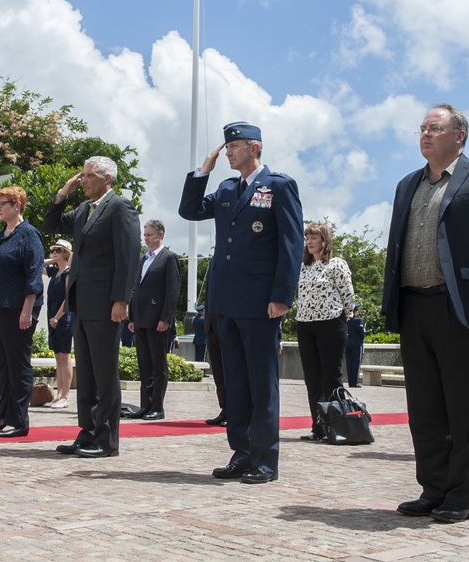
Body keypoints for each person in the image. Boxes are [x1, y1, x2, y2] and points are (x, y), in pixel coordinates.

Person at [383, 104, 469, 524]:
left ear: (459, 135)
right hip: (414, 306)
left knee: (465, 406)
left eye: (434, 128)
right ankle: (432, 488)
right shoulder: (408, 184)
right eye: (422, 128)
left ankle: (460, 495)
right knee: (424, 408)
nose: (425, 134)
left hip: (463, 309)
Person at [179, 121, 303, 484]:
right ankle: (242, 452)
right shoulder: (226, 188)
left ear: (254, 147)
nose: (227, 151)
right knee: (233, 381)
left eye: (233, 146)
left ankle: (266, 459)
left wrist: (282, 296)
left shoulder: (279, 186)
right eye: (226, 146)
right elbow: (190, 210)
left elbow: (291, 245)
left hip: (261, 302)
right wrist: (202, 171)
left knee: (262, 383)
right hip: (224, 301)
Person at [45, 155, 140, 459]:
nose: (83, 179)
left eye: (88, 175)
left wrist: (121, 299)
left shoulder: (120, 207)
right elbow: (51, 223)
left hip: (105, 303)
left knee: (104, 373)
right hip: (82, 302)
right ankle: (86, 433)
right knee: (86, 374)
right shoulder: (84, 209)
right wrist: (63, 193)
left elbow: (127, 255)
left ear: (106, 178)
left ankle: (106, 439)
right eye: (82, 175)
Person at [0, 186, 45, 438]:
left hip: (17, 308)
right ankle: (3, 416)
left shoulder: (29, 234)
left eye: (2, 204)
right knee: (3, 364)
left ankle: (19, 421)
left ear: (17, 205)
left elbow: (33, 274)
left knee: (17, 364)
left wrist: (27, 310)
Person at [295, 222, 356, 441]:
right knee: (312, 379)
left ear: (324, 241)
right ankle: (318, 427)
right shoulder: (303, 266)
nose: (309, 242)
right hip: (305, 324)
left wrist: (344, 318)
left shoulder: (336, 264)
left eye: (314, 238)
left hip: (331, 323)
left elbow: (348, 295)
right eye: (307, 238)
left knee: (331, 377)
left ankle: (337, 428)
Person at [127, 219, 181, 420]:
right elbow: (136, 290)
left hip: (158, 320)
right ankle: (145, 405)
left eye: (149, 235)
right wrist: (132, 317)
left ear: (160, 235)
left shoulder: (169, 258)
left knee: (159, 366)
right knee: (144, 365)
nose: (146, 238)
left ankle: (158, 407)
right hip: (141, 319)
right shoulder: (143, 260)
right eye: (145, 234)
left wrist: (166, 318)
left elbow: (172, 291)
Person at [44, 238, 74, 409]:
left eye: (58, 250)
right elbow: (36, 264)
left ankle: (65, 395)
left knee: (65, 356)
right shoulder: (53, 272)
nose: (54, 252)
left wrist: (57, 317)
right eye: (53, 249)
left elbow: (67, 298)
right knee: (58, 357)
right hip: (52, 316)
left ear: (65, 254)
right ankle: (58, 394)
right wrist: (53, 260)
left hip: (63, 317)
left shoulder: (67, 273)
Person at [345, 303, 365, 387]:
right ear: (355, 311)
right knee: (356, 364)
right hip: (356, 344)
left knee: (349, 363)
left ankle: (350, 382)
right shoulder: (357, 320)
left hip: (347, 343)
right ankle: (354, 382)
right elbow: (361, 334)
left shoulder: (346, 320)